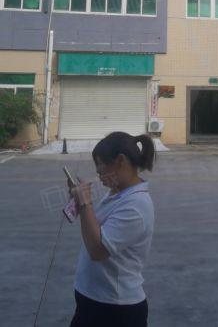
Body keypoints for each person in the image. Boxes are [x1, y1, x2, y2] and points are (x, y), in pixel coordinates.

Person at [68, 131, 155, 327]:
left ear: (120, 161)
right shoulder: (117, 193)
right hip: (94, 300)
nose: (98, 173)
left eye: (100, 165)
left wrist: (85, 202)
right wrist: (81, 202)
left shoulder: (136, 205)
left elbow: (98, 250)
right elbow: (95, 228)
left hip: (115, 308)